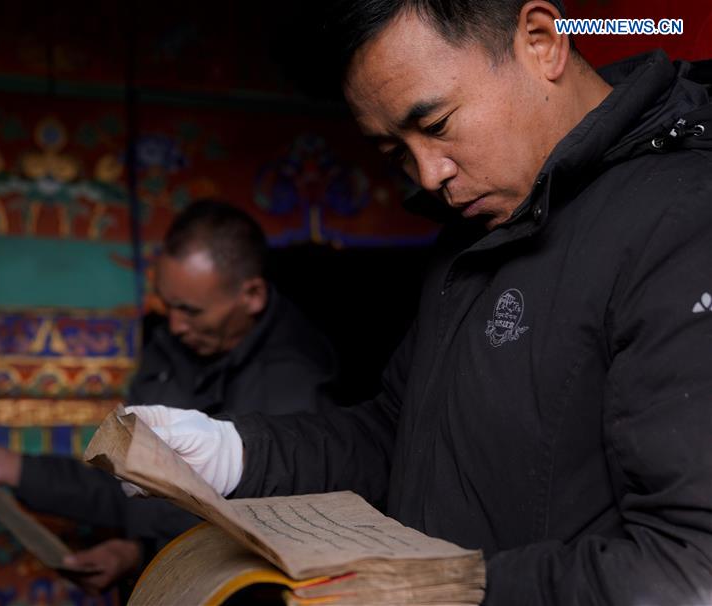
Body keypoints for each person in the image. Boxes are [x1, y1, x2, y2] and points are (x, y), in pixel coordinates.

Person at [125, 2, 712, 604]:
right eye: (395, 153)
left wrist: (440, 594)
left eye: (435, 125)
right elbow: (400, 436)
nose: (428, 175)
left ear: (540, 42)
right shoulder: (471, 236)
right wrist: (234, 454)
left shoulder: (684, 220)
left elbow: (691, 570)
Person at [0, 200, 339, 592]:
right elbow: (130, 482)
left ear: (251, 295)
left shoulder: (297, 382)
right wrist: (18, 470)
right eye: (167, 306)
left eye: (190, 310)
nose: (176, 325)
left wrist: (140, 551)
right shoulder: (166, 354)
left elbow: (257, 529)